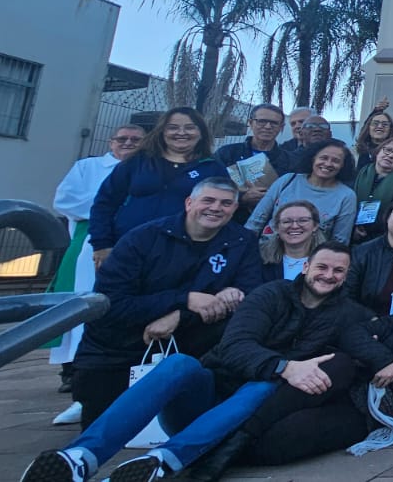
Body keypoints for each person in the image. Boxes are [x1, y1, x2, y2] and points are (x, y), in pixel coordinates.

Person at [22, 242, 389, 482]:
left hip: (252, 410)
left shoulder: (348, 314)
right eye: (323, 267)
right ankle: (81, 456)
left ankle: (164, 462)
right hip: (207, 397)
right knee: (180, 364)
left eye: (338, 271)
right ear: (306, 266)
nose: (329, 276)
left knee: (264, 385)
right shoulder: (270, 294)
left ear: (346, 276)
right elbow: (234, 346)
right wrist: (285, 366)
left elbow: (378, 334)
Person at [70, 179, 266, 428]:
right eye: (208, 200)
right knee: (109, 427)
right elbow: (111, 304)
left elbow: (249, 294)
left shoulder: (242, 241)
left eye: (226, 203)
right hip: (122, 347)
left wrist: (180, 315)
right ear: (189, 203)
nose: (216, 208)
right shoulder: (142, 239)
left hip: (192, 342)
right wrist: (185, 299)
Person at [228, 279, 393, 469]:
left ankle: (234, 455)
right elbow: (352, 333)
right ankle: (239, 436)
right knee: (337, 364)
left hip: (371, 417)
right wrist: (383, 360)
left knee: (292, 434)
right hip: (354, 386)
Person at [48, 125, 145, 419]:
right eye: (122, 139)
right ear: (111, 142)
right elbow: (65, 201)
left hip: (138, 242)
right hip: (94, 241)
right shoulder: (88, 167)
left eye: (135, 140)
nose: (128, 143)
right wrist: (113, 210)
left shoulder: (149, 168)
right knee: (86, 303)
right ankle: (77, 371)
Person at [89, 107, 229, 266]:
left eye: (190, 127)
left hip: (181, 255)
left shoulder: (212, 168)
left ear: (201, 132)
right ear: (162, 132)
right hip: (126, 246)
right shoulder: (138, 161)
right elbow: (105, 202)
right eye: (173, 127)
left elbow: (224, 210)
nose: (181, 133)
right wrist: (101, 244)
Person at [247, 139, 359, 243]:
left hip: (312, 260)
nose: (328, 164)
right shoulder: (288, 180)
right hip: (266, 252)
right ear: (313, 158)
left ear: (343, 165)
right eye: (323, 158)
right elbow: (257, 220)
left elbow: (340, 240)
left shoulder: (346, 196)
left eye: (336, 161)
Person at [215, 104, 296, 223]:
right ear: (250, 122)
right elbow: (211, 185)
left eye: (274, 123)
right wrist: (242, 198)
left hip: (272, 224)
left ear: (281, 127)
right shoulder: (227, 153)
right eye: (262, 121)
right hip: (229, 220)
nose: (268, 127)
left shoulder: (290, 160)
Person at [352, 136, 393, 243]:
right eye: (388, 150)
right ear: (378, 151)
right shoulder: (359, 173)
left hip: (381, 237)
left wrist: (366, 228)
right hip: (350, 231)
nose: (391, 155)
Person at [260, 201, 327, 282]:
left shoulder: (329, 259)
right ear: (277, 228)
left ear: (315, 225)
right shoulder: (261, 258)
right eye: (287, 221)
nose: (294, 226)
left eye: (303, 220)